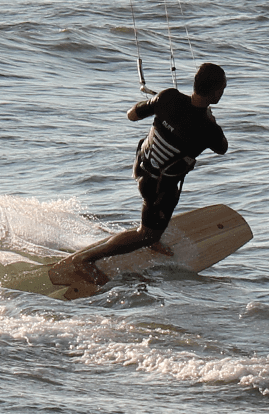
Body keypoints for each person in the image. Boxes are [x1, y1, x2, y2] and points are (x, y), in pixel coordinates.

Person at [49, 63, 229, 296]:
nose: (223, 92)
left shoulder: (168, 97)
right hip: (156, 187)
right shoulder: (209, 129)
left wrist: (159, 107)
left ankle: (153, 236)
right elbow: (222, 148)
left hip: (141, 167)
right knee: (146, 232)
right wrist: (210, 120)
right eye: (222, 88)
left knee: (171, 192)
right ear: (216, 92)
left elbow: (132, 115)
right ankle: (88, 259)